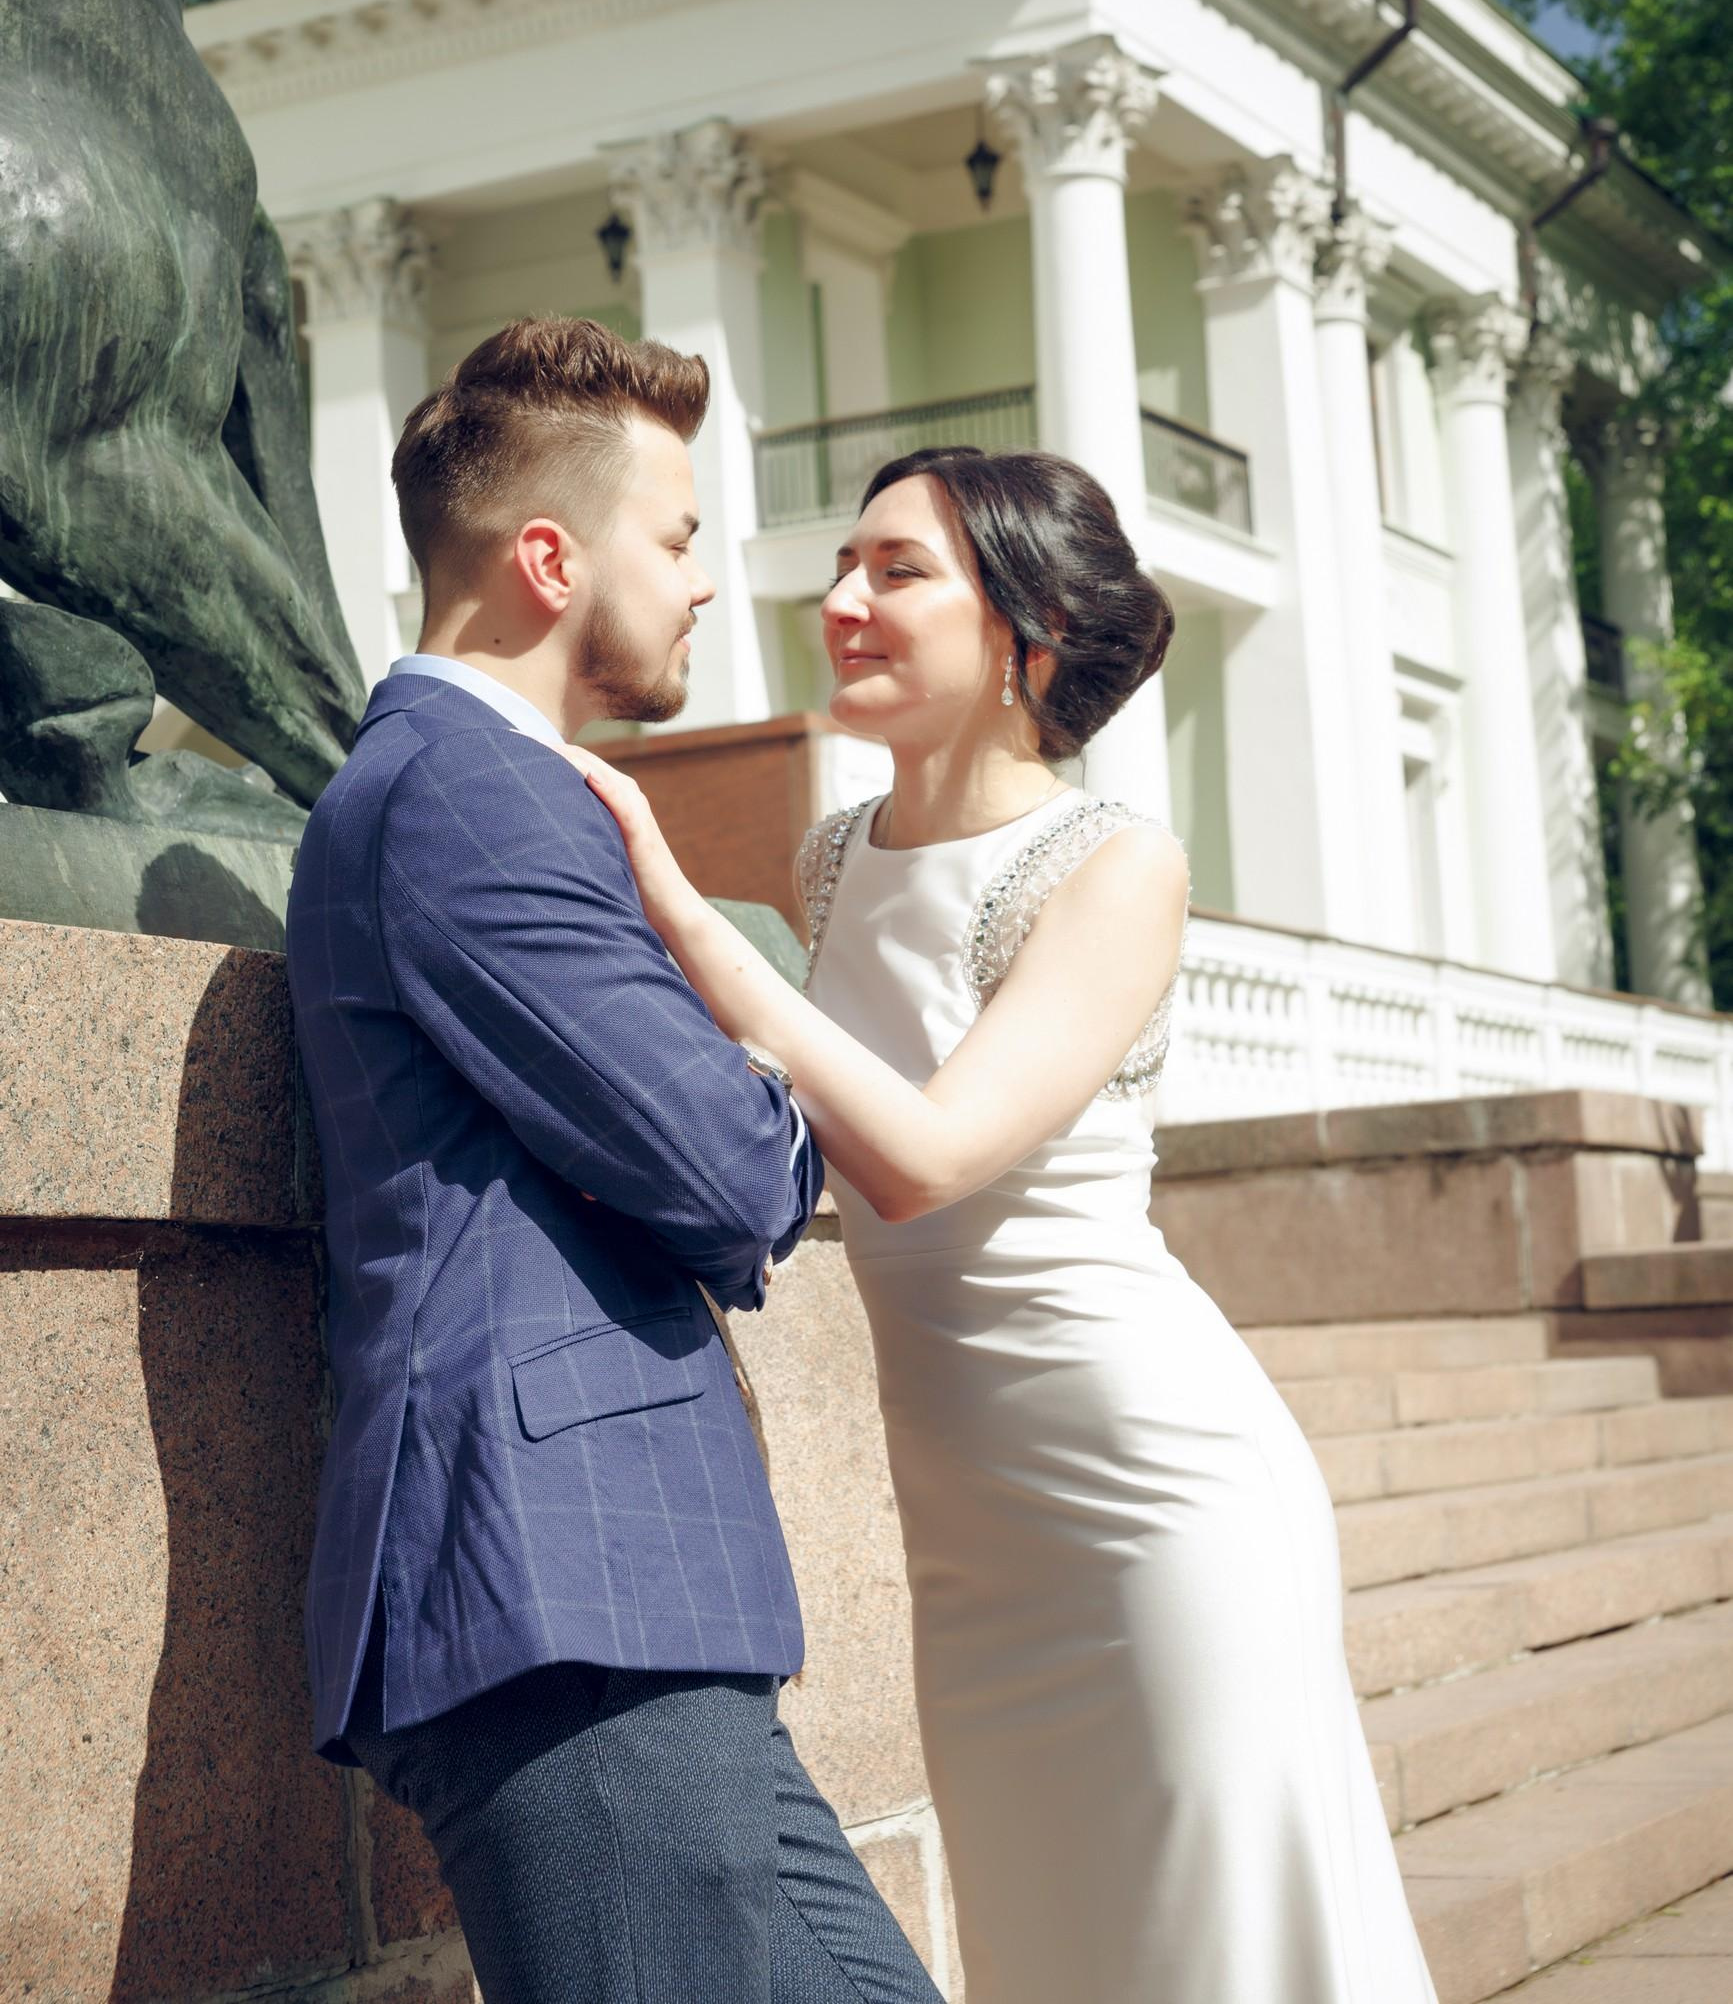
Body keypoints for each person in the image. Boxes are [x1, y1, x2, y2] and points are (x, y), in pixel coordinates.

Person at [570, 444, 1439, 2004]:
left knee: (1216, 1953)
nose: (838, 601)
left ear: (1023, 632)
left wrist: (685, 917)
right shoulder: (834, 859)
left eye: (895, 572)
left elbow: (919, 1157)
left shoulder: (1117, 864)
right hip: (977, 1547)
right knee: (1055, 1953)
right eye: (842, 565)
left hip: (1156, 1515)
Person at [284, 318, 943, 2004]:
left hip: (623, 1608)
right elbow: (730, 1177)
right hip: (563, 1598)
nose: (708, 583)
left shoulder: (490, 792)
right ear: (550, 557)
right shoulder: (463, 795)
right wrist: (768, 1080)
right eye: (678, 537)